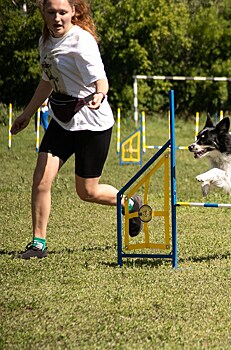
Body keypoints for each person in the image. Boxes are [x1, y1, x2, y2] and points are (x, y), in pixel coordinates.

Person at [10, 0, 142, 260]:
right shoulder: (44, 42)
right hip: (62, 120)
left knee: (87, 192)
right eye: (51, 12)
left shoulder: (82, 41)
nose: (57, 18)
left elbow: (101, 79)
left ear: (74, 13)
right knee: (41, 179)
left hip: (92, 123)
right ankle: (38, 244)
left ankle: (130, 203)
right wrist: (27, 114)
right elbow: (47, 81)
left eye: (62, 12)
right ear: (43, 13)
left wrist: (100, 94)